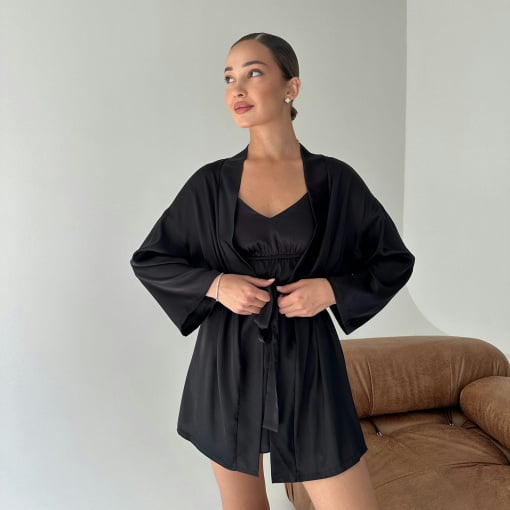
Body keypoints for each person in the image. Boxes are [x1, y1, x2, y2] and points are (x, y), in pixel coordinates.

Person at [131, 32, 414, 510]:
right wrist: (217, 284)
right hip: (225, 360)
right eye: (229, 78)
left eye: (254, 72)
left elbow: (393, 259)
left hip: (310, 361)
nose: (237, 89)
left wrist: (332, 290)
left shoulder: (334, 180)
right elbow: (152, 258)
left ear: (291, 87)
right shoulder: (210, 184)